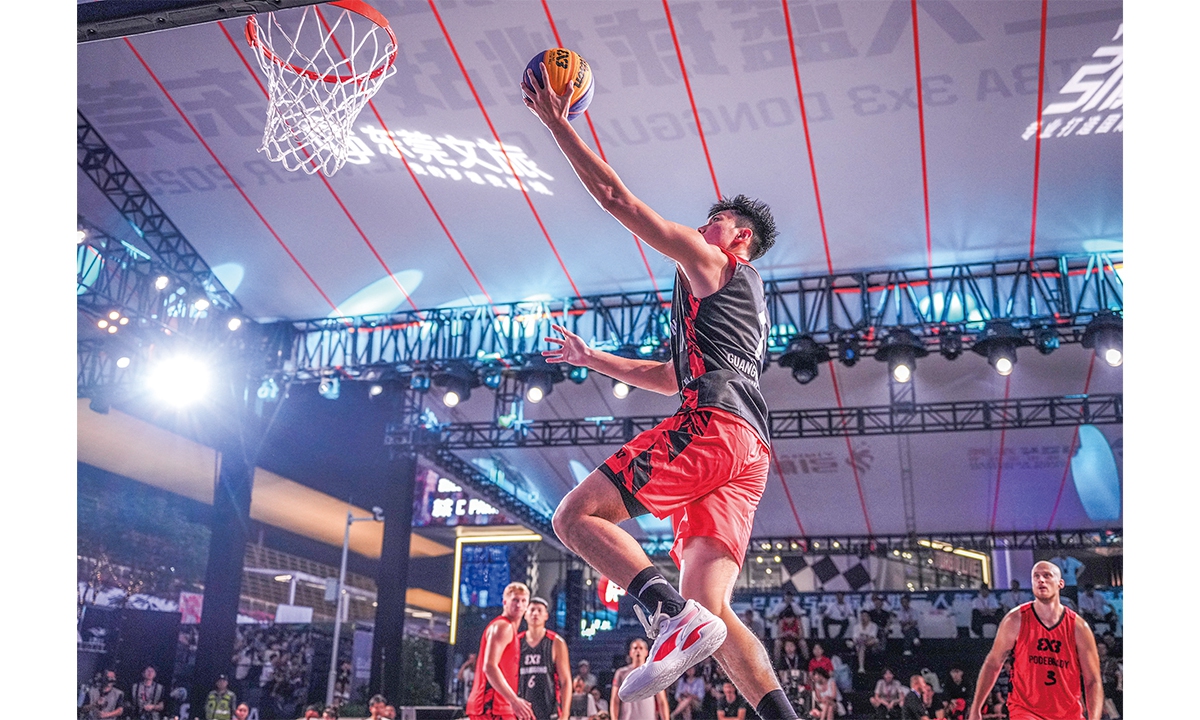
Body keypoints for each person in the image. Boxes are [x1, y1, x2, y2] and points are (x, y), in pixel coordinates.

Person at [524, 62, 793, 720]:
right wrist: (593, 357)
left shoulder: (716, 263)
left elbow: (618, 200)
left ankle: (667, 615)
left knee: (573, 518)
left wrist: (558, 124)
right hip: (750, 451)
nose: (702, 226)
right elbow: (669, 376)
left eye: (714, 220)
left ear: (739, 237)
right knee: (714, 608)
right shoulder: (744, 305)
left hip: (717, 426)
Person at [968, 561, 1103, 720]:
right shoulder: (1015, 620)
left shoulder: (1079, 627)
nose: (1041, 580)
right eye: (1036, 576)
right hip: (1025, 711)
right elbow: (993, 663)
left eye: (1047, 575)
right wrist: (976, 708)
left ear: (1060, 583)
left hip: (1067, 713)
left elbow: (1093, 680)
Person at [467, 583, 536, 720]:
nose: (519, 605)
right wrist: (514, 700)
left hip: (496, 706)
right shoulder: (503, 627)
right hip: (492, 706)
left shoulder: (507, 628)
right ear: (505, 602)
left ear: (527, 605)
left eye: (523, 601)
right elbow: (489, 666)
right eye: (515, 600)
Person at [519, 597, 573, 720]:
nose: (535, 613)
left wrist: (565, 714)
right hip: (522, 709)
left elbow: (565, 681)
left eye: (539, 610)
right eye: (532, 610)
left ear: (546, 616)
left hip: (549, 709)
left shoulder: (556, 642)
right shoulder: (516, 642)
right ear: (525, 615)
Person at [611, 639, 670, 720]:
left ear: (646, 652)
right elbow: (615, 700)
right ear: (630, 652)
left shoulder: (653, 672)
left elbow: (662, 701)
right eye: (635, 648)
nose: (638, 651)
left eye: (641, 648)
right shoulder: (621, 673)